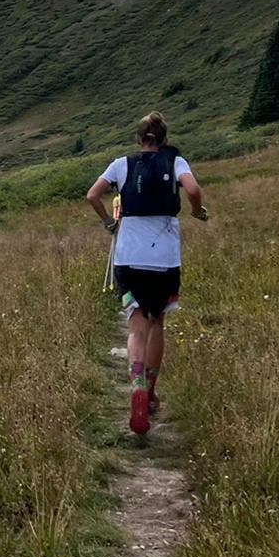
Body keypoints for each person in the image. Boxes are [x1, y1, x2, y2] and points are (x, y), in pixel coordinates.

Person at [85, 112, 208, 436]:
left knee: (136, 322)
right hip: (165, 259)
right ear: (164, 139)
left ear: (139, 140)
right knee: (157, 322)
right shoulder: (176, 162)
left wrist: (109, 223)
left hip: (129, 257)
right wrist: (197, 211)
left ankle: (136, 385)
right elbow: (193, 190)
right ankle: (151, 392)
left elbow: (92, 195)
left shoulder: (121, 165)